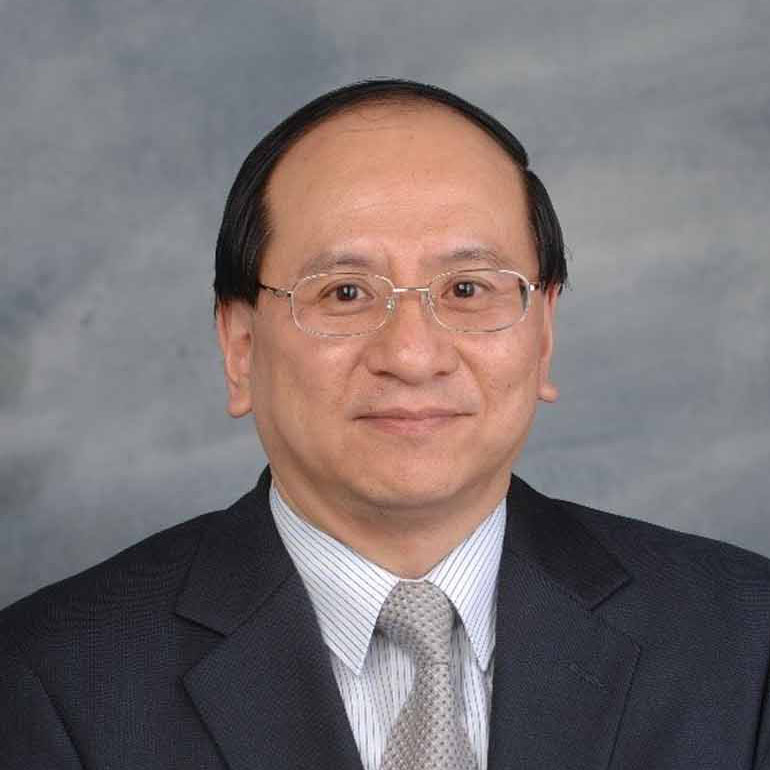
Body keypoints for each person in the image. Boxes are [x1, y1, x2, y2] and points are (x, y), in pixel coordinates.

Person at [1, 79, 768, 770]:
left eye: (468, 289)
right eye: (344, 293)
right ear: (240, 347)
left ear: (543, 335)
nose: (411, 355)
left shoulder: (745, 642)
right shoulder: (49, 683)